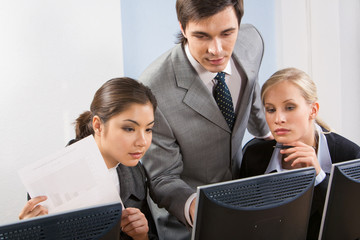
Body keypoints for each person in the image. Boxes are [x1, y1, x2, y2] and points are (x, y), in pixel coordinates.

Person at [139, 0, 271, 239]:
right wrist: (199, 208)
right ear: (182, 28)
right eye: (202, 36)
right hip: (187, 218)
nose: (217, 50)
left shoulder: (252, 41)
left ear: (239, 25)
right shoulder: (153, 89)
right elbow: (162, 177)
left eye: (227, 33)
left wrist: (267, 136)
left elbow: (251, 89)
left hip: (242, 198)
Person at [18, 77, 159, 240]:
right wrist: (28, 233)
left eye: (148, 129)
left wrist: (141, 236)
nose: (142, 141)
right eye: (129, 129)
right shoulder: (49, 179)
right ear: (98, 125)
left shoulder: (135, 171)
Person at [239, 67, 360, 240]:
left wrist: (319, 177)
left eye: (289, 107)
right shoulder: (254, 155)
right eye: (271, 109)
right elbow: (244, 224)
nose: (278, 119)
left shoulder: (349, 155)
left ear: (313, 110)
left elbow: (350, 229)